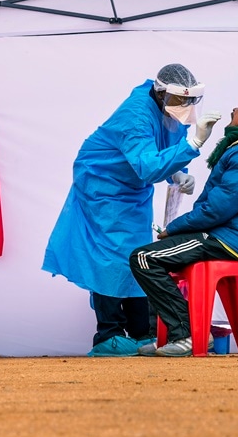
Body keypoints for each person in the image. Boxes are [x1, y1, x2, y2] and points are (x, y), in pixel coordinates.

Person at [42, 64, 222, 356]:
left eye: (190, 101)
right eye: (179, 100)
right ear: (160, 92)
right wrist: (194, 143)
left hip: (134, 186)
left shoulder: (168, 109)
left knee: (138, 253)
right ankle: (108, 334)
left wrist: (177, 173)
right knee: (109, 256)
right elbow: (148, 164)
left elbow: (163, 149)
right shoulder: (136, 114)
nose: (185, 107)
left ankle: (140, 332)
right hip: (102, 184)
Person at [130, 89, 238, 357]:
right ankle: (180, 333)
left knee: (144, 258)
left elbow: (219, 208)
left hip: (230, 239)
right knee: (157, 258)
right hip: (229, 236)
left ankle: (186, 335)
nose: (233, 111)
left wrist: (174, 228)